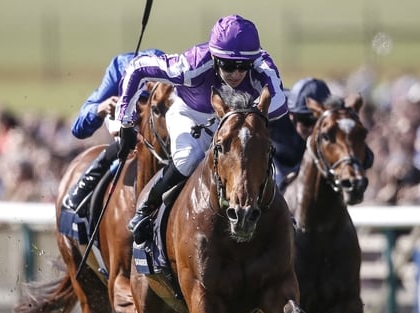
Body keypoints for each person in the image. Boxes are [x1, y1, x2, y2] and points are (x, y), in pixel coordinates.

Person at [115, 14, 291, 242]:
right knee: (189, 158)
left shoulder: (262, 65)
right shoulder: (191, 65)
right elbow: (137, 68)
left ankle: (281, 216)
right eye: (228, 66)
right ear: (215, 59)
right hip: (190, 114)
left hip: (234, 117)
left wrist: (250, 113)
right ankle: (147, 207)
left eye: (243, 66)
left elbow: (278, 107)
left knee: (252, 156)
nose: (236, 74)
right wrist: (126, 122)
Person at [62, 48, 165, 216]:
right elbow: (78, 129)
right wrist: (100, 109)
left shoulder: (169, 71)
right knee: (123, 141)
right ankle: (83, 188)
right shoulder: (119, 67)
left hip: (159, 136)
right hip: (128, 134)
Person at [271, 77, 375, 190]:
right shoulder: (274, 116)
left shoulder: (332, 124)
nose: (312, 128)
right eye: (307, 121)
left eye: (317, 121)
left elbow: (367, 158)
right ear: (292, 115)